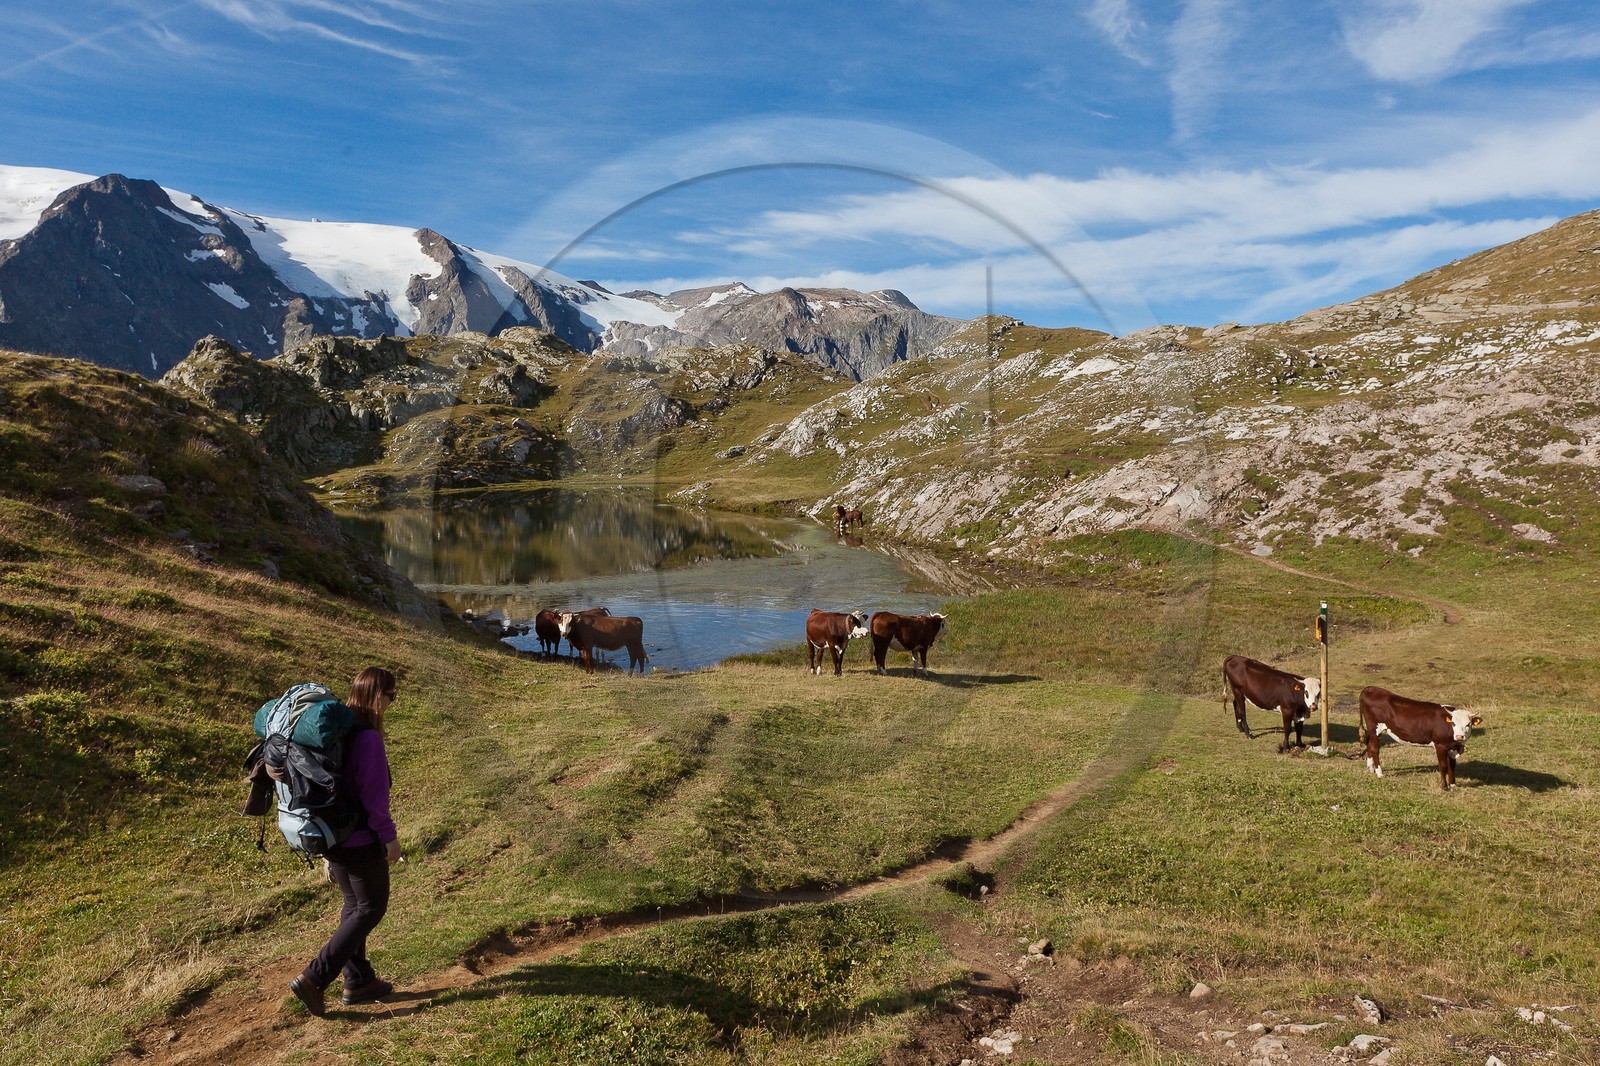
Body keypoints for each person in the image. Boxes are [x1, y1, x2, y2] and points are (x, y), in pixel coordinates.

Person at [289, 666, 400, 1015]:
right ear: (377, 695)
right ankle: (314, 978)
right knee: (370, 908)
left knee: (354, 907)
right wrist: (390, 839)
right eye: (391, 696)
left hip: (331, 835)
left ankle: (358, 980)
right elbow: (374, 798)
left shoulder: (339, 731)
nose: (392, 703)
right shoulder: (367, 738)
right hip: (360, 840)